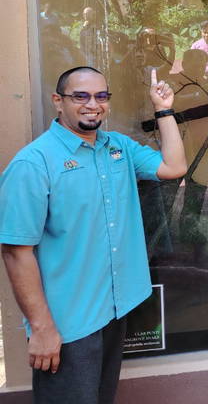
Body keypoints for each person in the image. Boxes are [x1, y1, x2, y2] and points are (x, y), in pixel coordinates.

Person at [0, 66, 187, 404]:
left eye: (101, 96)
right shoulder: (34, 163)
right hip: (67, 324)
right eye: (80, 96)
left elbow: (174, 167)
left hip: (114, 309)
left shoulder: (119, 147)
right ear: (58, 102)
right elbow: (15, 252)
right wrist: (42, 328)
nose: (93, 104)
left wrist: (164, 109)